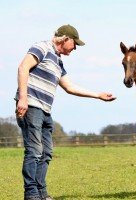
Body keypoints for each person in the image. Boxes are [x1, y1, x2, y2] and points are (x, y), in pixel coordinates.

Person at [15, 24, 116, 200]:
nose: (75, 48)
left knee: (46, 153)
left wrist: (98, 95)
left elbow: (69, 87)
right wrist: (23, 98)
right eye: (74, 43)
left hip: (45, 110)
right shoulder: (42, 48)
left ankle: (41, 192)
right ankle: (31, 194)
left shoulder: (58, 61)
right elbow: (23, 68)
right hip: (31, 105)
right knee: (34, 150)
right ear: (65, 39)